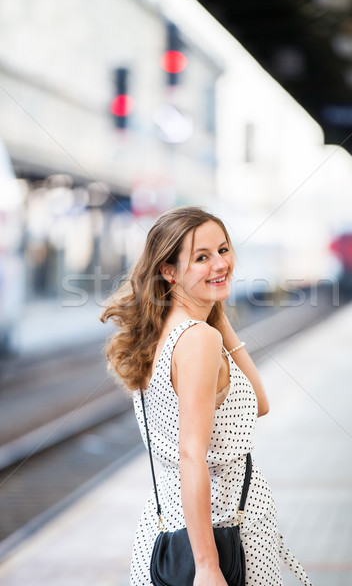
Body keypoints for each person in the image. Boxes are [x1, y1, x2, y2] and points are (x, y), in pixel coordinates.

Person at [101, 206, 312, 586]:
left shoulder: (167, 333)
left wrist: (219, 318)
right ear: (169, 271)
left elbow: (259, 405)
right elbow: (190, 454)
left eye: (224, 250)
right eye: (202, 257)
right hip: (225, 530)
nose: (220, 264)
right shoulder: (197, 340)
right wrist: (207, 566)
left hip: (165, 526)